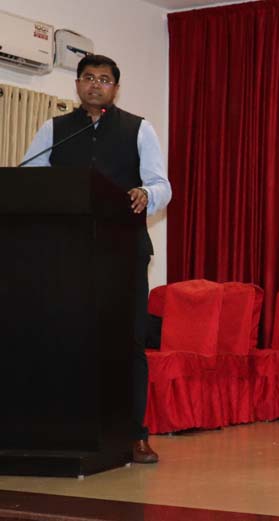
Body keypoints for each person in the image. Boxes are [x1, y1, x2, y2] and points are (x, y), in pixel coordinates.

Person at [22, 55, 172, 464]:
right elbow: (30, 174)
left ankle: (135, 435)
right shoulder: (55, 130)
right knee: (66, 338)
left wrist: (146, 193)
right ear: (77, 84)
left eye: (104, 80)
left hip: (123, 252)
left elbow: (161, 185)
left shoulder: (139, 129)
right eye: (88, 78)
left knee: (130, 342)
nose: (95, 85)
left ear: (115, 89)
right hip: (67, 254)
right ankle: (63, 428)